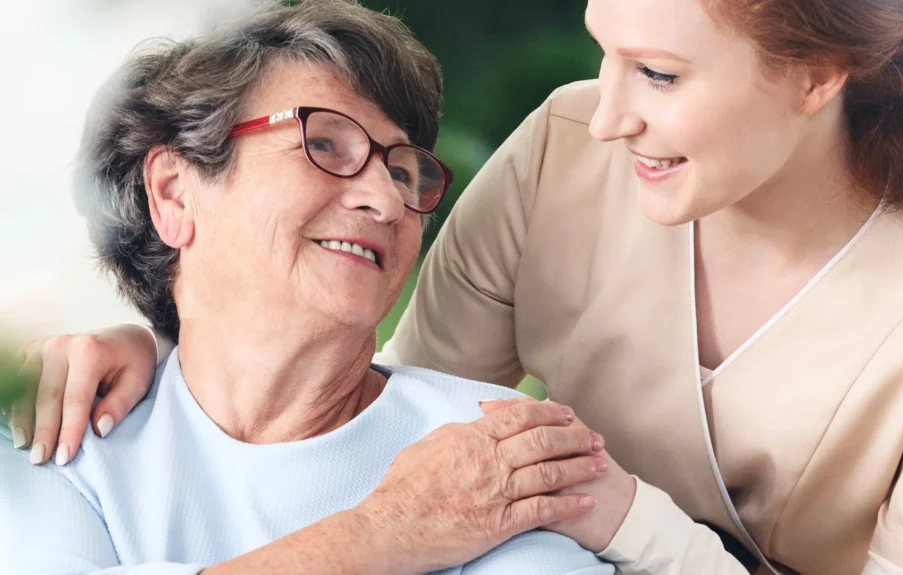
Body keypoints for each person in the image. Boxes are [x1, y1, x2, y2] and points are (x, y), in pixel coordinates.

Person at [9, 0, 903, 573]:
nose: (607, 112)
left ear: (815, 78)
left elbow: (438, 493)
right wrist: (173, 324)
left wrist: (618, 515)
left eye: (659, 74)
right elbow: (374, 415)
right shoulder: (564, 153)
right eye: (603, 53)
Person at [0, 2, 623, 574]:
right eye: (323, 143)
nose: (385, 200)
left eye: (404, 171)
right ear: (174, 193)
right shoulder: (60, 430)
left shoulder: (492, 450)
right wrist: (385, 532)